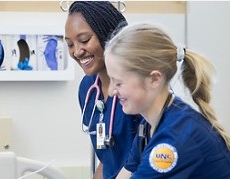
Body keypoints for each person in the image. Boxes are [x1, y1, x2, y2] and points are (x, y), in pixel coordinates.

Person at [104, 22, 230, 178]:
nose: (111, 92)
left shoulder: (176, 138)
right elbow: (125, 173)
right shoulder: (149, 125)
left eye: (118, 82)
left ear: (154, 79)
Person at [64, 1, 142, 179]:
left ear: (110, 35)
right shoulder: (87, 89)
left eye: (84, 40)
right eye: (69, 44)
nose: (77, 51)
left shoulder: (139, 86)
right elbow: (109, 160)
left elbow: (154, 154)